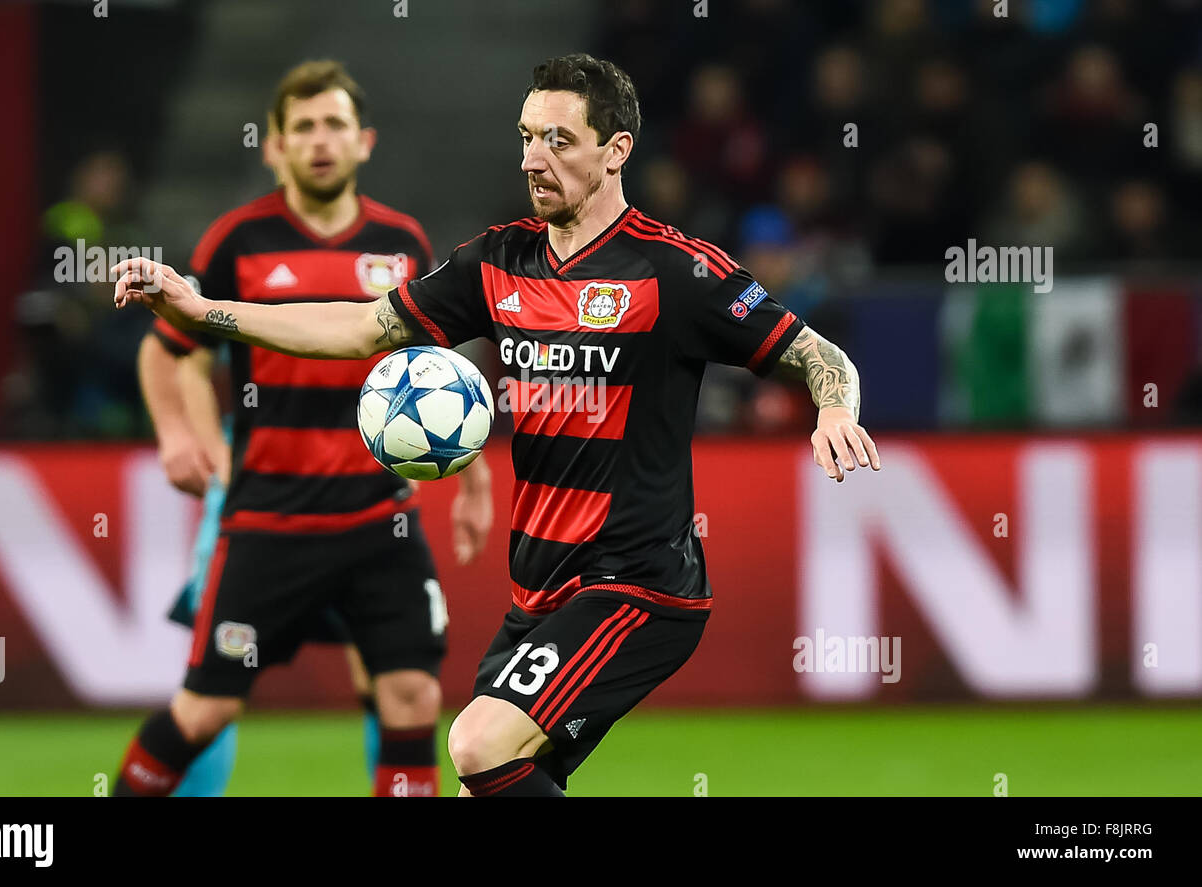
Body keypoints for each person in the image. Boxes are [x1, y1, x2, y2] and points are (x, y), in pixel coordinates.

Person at [114, 53, 878, 797]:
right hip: (537, 592)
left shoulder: (675, 272)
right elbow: (359, 328)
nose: (533, 159)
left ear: (616, 152)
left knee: (477, 742)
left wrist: (835, 405)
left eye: (558, 140)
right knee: (502, 776)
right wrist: (202, 310)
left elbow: (818, 353)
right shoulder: (496, 262)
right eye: (525, 137)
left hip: (635, 585)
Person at [115, 60, 492, 798]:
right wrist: (176, 436)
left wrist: (475, 481)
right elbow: (169, 349)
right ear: (275, 146)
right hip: (267, 519)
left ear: (364, 141)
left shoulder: (401, 240)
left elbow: (438, 370)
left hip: (377, 518)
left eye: (335, 126)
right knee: (208, 706)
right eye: (304, 127)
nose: (321, 141)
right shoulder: (238, 241)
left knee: (412, 694)